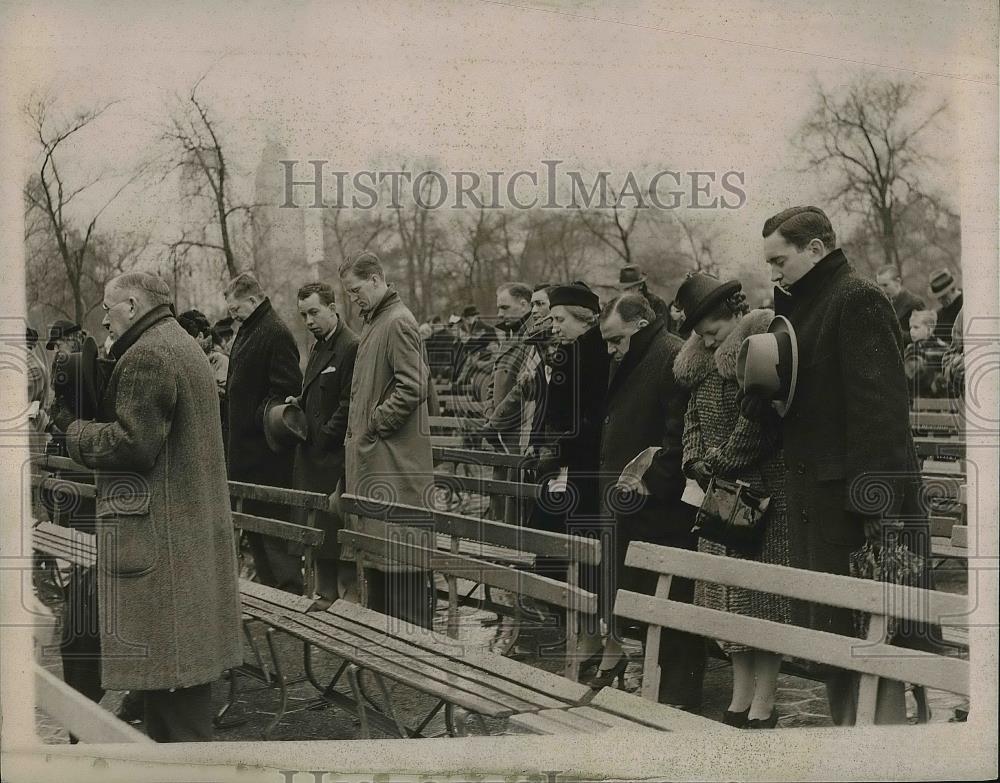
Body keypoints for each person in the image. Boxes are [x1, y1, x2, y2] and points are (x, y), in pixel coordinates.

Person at [51, 271, 243, 742]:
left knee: (178, 712)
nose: (104, 320)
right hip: (182, 546)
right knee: (172, 696)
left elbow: (132, 445)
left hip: (163, 552)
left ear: (133, 305)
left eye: (108, 308)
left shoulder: (148, 355)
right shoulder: (179, 345)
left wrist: (71, 430)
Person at [763, 206, 929, 726]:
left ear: (816, 249)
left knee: (874, 643)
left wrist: (874, 514)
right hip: (819, 505)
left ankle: (885, 751)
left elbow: (880, 414)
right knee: (838, 648)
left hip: (855, 515)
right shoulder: (800, 306)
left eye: (779, 259)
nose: (773, 272)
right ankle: (851, 748)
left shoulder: (856, 299)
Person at [672, 274, 790, 728]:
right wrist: (694, 459)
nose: (706, 339)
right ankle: (741, 694)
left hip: (758, 495)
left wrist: (718, 461)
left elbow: (757, 426)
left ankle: (765, 700)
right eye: (699, 333)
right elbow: (693, 420)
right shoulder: (701, 367)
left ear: (735, 316)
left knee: (760, 602)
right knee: (726, 603)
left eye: (714, 330)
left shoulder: (759, 352)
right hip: (718, 498)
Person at [596, 293, 706, 710]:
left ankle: (682, 696)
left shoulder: (671, 356)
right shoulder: (636, 357)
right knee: (645, 602)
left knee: (673, 603)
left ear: (640, 325)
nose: (611, 350)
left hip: (662, 509)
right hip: (632, 506)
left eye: (615, 340)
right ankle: (660, 689)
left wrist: (652, 480)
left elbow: (680, 434)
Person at [339, 251, 435, 627]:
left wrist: (376, 424)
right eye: (348, 292)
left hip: (395, 468)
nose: (352, 298)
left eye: (356, 289)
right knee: (383, 570)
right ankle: (390, 664)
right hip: (380, 467)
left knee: (403, 571)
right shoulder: (378, 321)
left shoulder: (396, 322)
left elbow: (414, 386)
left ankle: (415, 669)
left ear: (377, 279)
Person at [536, 283, 610, 663]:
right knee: (570, 551)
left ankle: (589, 636)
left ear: (584, 319)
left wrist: (558, 450)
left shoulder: (594, 355)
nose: (554, 326)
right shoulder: (569, 353)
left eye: (560, 319)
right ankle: (582, 633)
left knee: (585, 554)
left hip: (584, 470)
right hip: (570, 468)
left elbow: (588, 420)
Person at [224, 272, 304, 593]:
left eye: (235, 310)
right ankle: (272, 594)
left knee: (274, 536)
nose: (233, 316)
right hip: (248, 457)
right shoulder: (251, 329)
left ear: (253, 300)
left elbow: (286, 391)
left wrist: (251, 417)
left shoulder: (274, 332)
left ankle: (289, 597)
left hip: (266, 458)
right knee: (257, 536)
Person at [287, 282, 359, 606]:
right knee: (319, 538)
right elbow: (318, 388)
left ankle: (347, 605)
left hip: (333, 459)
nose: (309, 321)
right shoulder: (317, 346)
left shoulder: (350, 346)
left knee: (338, 538)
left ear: (332, 307)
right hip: (314, 457)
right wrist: (299, 400)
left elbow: (348, 403)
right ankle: (324, 596)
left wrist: (325, 437)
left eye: (314, 312)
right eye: (303, 315)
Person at [903, 310, 949, 401]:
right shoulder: (910, 349)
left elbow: (946, 375)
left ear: (929, 329)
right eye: (910, 327)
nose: (912, 331)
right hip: (913, 398)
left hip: (936, 399)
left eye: (916, 327)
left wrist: (936, 384)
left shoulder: (942, 349)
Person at [875, 265, 924, 347]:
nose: (882, 290)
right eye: (879, 285)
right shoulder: (881, 304)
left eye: (885, 285)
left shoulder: (915, 303)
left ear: (898, 282)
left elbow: (922, 336)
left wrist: (891, 332)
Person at [929, 268, 963, 345]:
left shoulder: (967, 304)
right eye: (938, 298)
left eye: (944, 296)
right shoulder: (939, 316)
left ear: (953, 289)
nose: (941, 301)